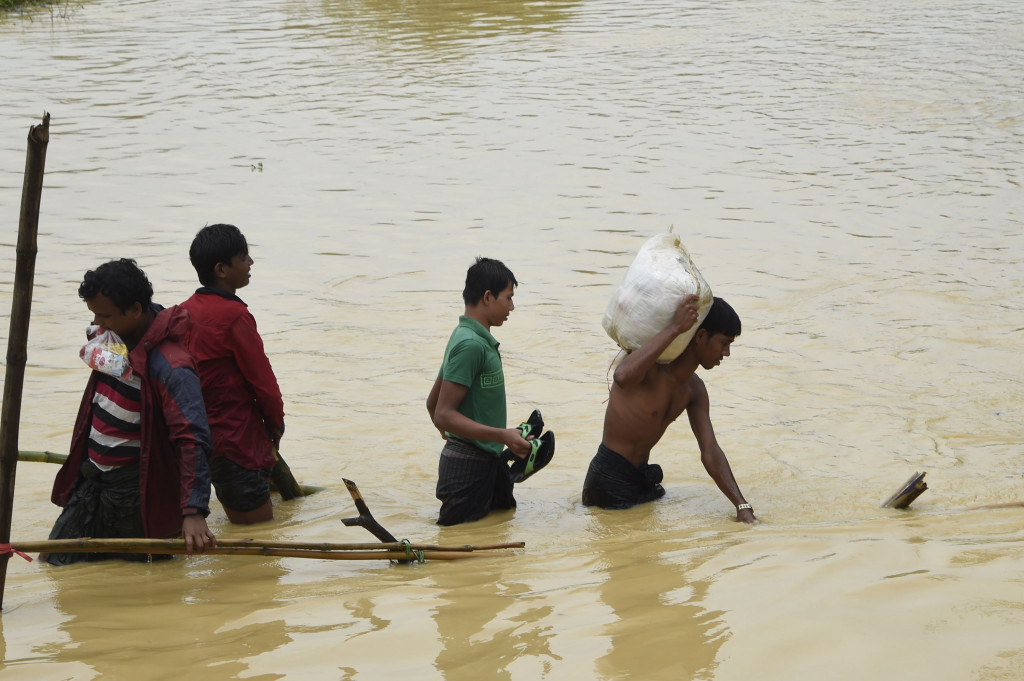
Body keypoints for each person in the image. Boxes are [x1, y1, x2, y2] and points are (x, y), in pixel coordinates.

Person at [46, 259, 217, 565]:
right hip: (93, 479)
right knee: (55, 563)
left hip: (137, 490)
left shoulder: (171, 366)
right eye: (95, 314)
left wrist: (193, 512)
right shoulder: (111, 343)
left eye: (105, 315)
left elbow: (192, 439)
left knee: (146, 581)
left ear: (136, 310)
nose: (98, 323)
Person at [582, 295, 754, 523]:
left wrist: (741, 505)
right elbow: (621, 376)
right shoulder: (649, 368)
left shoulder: (695, 391)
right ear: (701, 336)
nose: (726, 353)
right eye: (724, 343)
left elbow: (710, 451)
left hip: (640, 479)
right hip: (607, 480)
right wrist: (675, 328)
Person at [426, 257, 553, 526]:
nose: (512, 306)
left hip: (486, 462)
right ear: (487, 297)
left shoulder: (466, 336)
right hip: (466, 471)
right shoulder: (470, 345)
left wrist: (498, 438)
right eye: (508, 298)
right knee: (461, 552)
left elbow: (432, 403)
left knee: (496, 541)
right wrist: (500, 435)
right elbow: (443, 414)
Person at [179, 224, 285, 525]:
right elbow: (264, 384)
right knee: (260, 537)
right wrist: (275, 426)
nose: (250, 263)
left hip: (197, 438)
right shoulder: (235, 316)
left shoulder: (184, 311)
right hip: (235, 440)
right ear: (222, 269)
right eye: (244, 258)